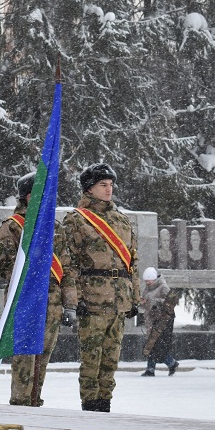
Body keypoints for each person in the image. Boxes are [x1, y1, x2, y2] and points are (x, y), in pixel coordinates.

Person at [61, 163, 140, 412]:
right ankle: (90, 405)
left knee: (111, 360)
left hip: (119, 300)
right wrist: (74, 301)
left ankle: (105, 404)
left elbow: (132, 262)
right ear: (89, 189)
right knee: (91, 359)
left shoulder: (122, 220)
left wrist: (134, 297)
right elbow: (69, 264)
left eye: (111, 185)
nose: (109, 189)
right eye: (102, 185)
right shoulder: (76, 220)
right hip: (92, 300)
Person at [0, 171, 76, 406]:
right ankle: (21, 403)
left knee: (43, 357)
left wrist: (70, 304)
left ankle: (35, 400)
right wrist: (32, 274)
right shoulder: (13, 226)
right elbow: (2, 265)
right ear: (28, 196)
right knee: (24, 357)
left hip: (52, 303)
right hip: (25, 299)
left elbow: (67, 269)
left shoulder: (55, 228)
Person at [140, 267, 180, 377]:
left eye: (149, 280)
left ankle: (170, 364)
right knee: (151, 345)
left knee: (156, 346)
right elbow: (147, 305)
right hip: (151, 320)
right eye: (146, 281)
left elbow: (171, 301)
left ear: (154, 279)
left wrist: (154, 302)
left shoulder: (163, 287)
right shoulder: (147, 289)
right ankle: (153, 369)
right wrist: (143, 303)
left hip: (162, 321)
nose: (147, 283)